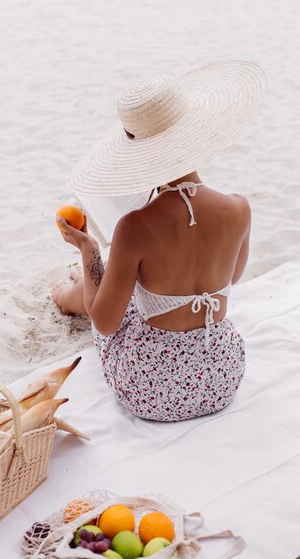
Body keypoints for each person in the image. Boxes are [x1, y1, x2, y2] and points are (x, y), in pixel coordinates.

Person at [52, 61, 266, 422]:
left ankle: (64, 292)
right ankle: (74, 287)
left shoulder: (135, 226)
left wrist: (88, 249)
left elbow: (105, 323)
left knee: (109, 297)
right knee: (141, 296)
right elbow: (232, 278)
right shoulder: (237, 208)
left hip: (154, 390)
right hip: (222, 376)